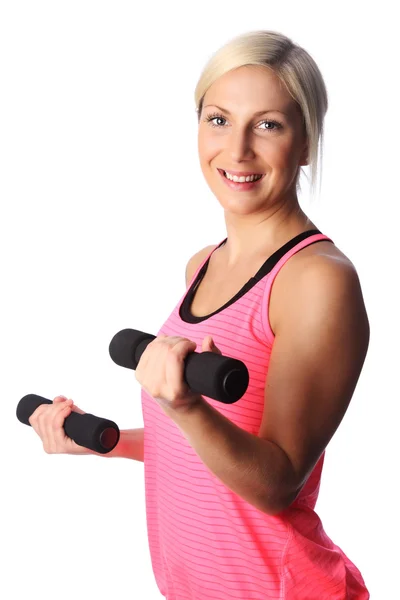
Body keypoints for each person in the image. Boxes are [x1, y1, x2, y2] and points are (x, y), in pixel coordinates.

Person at [28, 30, 370, 599]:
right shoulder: (201, 266)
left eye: (268, 125)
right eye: (218, 119)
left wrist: (183, 404)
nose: (236, 151)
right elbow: (206, 450)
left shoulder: (316, 280)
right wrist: (105, 440)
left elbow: (277, 481)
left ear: (306, 141)